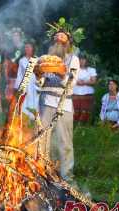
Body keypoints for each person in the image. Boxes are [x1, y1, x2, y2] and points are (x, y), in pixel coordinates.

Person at [38, 19, 82, 182]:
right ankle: (41, 172)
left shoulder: (73, 59)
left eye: (62, 37)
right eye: (56, 37)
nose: (58, 39)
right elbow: (40, 83)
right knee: (42, 139)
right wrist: (39, 75)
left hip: (64, 103)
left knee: (65, 142)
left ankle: (67, 176)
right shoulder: (45, 58)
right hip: (46, 102)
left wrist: (60, 72)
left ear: (68, 42)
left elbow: (70, 83)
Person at [14, 41, 39, 119]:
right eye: (26, 47)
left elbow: (40, 73)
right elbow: (19, 75)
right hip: (25, 85)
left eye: (29, 47)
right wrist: (18, 87)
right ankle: (25, 117)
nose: (27, 49)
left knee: (35, 102)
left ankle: (34, 119)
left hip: (35, 85)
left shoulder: (37, 59)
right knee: (24, 103)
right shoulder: (22, 60)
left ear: (33, 48)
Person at [72, 53, 97, 123]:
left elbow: (94, 81)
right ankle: (75, 125)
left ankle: (86, 126)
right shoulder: (74, 69)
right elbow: (70, 80)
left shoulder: (91, 70)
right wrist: (77, 82)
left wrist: (84, 82)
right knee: (75, 110)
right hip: (75, 92)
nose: (81, 61)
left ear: (86, 60)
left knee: (86, 111)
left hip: (87, 93)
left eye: (83, 59)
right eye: (80, 59)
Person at [3, 27, 25, 101]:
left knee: (21, 98)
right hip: (11, 78)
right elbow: (6, 63)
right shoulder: (9, 49)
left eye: (17, 35)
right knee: (10, 98)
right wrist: (6, 77)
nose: (15, 37)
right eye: (14, 36)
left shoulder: (24, 48)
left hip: (21, 77)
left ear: (20, 36)